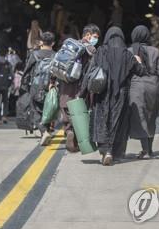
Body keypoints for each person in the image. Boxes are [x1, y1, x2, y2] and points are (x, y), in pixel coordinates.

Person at [82, 26, 146, 166]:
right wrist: (139, 61)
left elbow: (90, 73)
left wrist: (82, 93)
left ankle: (106, 150)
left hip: (102, 93)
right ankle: (114, 152)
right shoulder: (127, 54)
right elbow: (141, 72)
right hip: (121, 95)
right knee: (118, 122)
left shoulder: (101, 52)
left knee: (102, 120)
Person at [127, 25, 159, 159]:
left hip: (136, 86)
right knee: (151, 117)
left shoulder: (129, 51)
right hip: (154, 86)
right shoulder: (156, 51)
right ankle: (149, 150)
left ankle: (145, 150)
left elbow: (127, 72)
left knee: (140, 118)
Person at [58, 23, 100, 152]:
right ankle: (75, 137)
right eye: (94, 36)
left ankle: (68, 130)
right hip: (80, 86)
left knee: (66, 109)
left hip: (65, 84)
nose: (95, 40)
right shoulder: (91, 50)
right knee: (79, 112)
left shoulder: (70, 45)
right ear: (87, 35)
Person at [21, 31, 56, 145]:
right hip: (51, 87)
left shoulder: (35, 54)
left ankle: (44, 132)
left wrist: (24, 86)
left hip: (36, 87)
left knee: (35, 110)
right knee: (48, 110)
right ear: (53, 43)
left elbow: (26, 71)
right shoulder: (56, 55)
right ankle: (45, 133)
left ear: (41, 42)